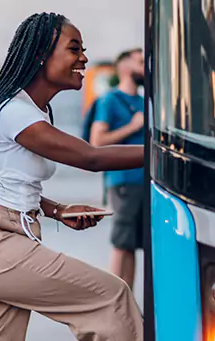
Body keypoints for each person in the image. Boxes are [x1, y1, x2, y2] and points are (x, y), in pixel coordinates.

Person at [0, 13, 145, 341]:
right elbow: (90, 157)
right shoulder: (14, 111)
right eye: (74, 48)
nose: (84, 58)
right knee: (111, 297)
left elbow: (2, 181)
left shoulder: (28, 110)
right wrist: (166, 152)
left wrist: (56, 210)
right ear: (41, 54)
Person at [88, 48, 146, 288]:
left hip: (145, 181)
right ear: (125, 68)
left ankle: (127, 302)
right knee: (122, 243)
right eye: (141, 62)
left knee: (132, 245)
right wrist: (132, 127)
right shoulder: (109, 100)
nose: (146, 67)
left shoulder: (144, 101)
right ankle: (115, 303)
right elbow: (97, 141)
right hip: (122, 180)